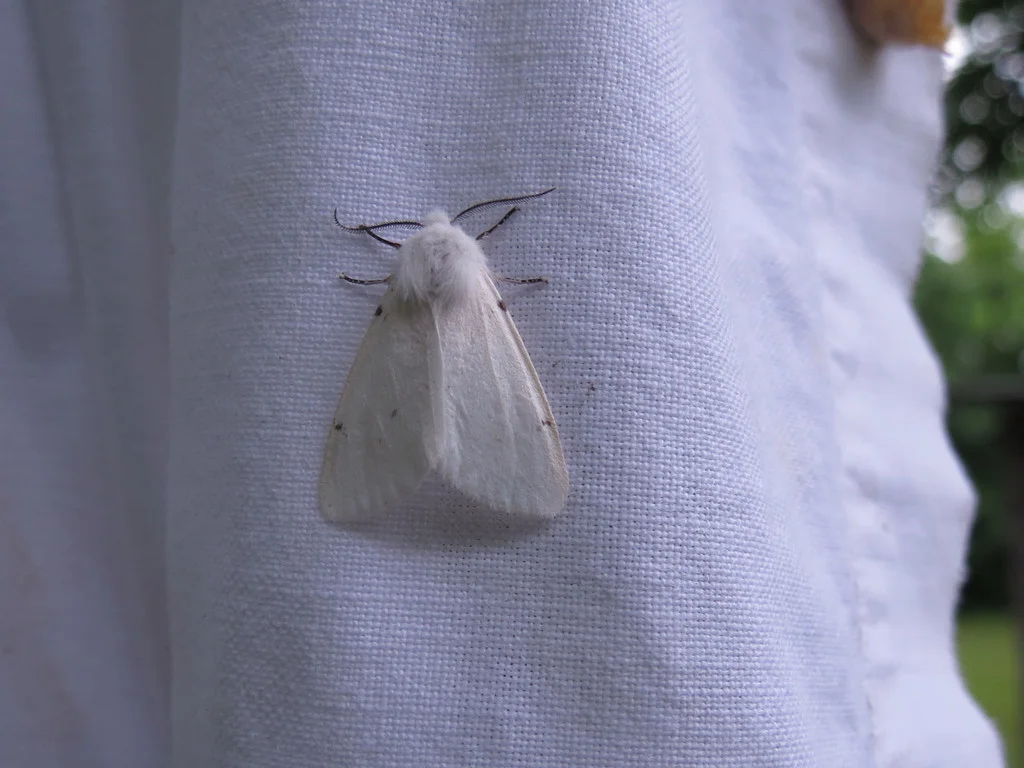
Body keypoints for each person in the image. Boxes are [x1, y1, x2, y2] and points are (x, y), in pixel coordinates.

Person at [1, 1, 1005, 766]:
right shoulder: (469, 267)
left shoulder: (408, 279)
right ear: (466, 249)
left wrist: (387, 271)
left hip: (382, 356)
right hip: (481, 345)